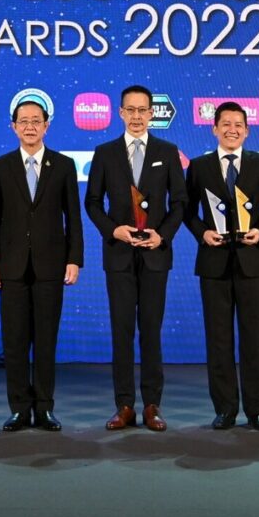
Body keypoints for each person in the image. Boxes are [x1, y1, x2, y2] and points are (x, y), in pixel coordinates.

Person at [84, 84, 186, 431]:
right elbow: (92, 202)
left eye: (143, 110)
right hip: (119, 255)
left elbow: (180, 203)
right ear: (121, 113)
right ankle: (125, 405)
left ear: (152, 114)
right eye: (131, 110)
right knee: (122, 330)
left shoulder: (167, 152)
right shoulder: (105, 153)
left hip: (155, 255)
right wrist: (114, 230)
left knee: (151, 331)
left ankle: (152, 405)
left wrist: (163, 235)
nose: (137, 116)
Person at [0, 98, 83, 431]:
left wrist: (74, 259)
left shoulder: (64, 165)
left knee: (45, 340)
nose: (29, 126)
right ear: (13, 127)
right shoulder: (1, 166)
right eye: (23, 121)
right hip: (10, 267)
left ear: (46, 125)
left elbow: (73, 218)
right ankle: (18, 408)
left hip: (50, 266)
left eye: (36, 120)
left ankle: (44, 408)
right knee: (14, 341)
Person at [186, 101, 259, 430]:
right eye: (225, 124)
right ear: (214, 128)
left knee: (254, 339)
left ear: (247, 130)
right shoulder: (199, 166)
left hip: (253, 262)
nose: (232, 129)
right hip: (214, 263)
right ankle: (225, 408)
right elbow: (187, 211)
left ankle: (257, 409)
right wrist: (203, 232)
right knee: (219, 339)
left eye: (239, 124)